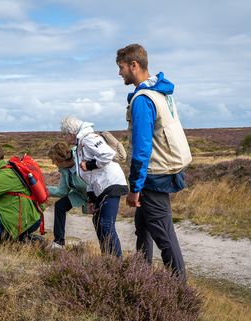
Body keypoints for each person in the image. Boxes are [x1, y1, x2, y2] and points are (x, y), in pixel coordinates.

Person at [116, 43, 192, 279]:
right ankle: (141, 276)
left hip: (153, 175)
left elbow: (141, 149)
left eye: (121, 68)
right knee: (144, 228)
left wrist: (135, 189)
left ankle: (180, 291)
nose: (120, 73)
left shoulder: (143, 100)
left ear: (134, 65)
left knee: (164, 235)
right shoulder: (161, 92)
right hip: (164, 170)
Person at [60, 116, 128, 257]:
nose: (64, 138)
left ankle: (118, 265)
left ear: (71, 132)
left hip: (111, 183)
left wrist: (90, 165)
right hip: (100, 186)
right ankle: (107, 260)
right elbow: (89, 176)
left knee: (106, 225)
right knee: (98, 221)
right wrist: (91, 198)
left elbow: (108, 154)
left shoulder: (88, 138)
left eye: (64, 134)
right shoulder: (80, 144)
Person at [47, 142, 88, 249]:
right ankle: (58, 243)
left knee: (101, 223)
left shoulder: (81, 159)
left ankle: (108, 252)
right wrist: (43, 189)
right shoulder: (65, 169)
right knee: (60, 205)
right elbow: (63, 191)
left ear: (60, 159)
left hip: (96, 193)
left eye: (53, 160)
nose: (52, 163)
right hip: (80, 194)